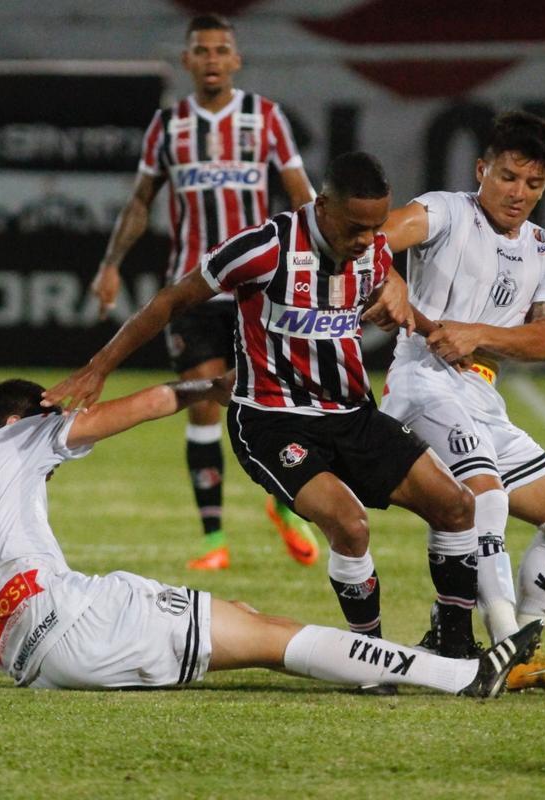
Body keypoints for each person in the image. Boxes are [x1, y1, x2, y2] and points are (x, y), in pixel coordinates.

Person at [0, 376, 544, 699]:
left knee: (235, 616)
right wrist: (222, 388)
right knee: (270, 635)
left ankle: (419, 671)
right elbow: (136, 408)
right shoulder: (15, 441)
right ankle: (455, 676)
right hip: (76, 621)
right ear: (19, 419)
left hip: (32, 665)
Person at [44, 152, 492, 674]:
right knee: (350, 525)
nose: (369, 239)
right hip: (272, 420)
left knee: (458, 506)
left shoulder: (369, 248)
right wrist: (98, 368)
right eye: (356, 227)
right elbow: (170, 301)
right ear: (322, 207)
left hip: (351, 414)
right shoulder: (265, 248)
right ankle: (371, 660)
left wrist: (429, 327)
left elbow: (384, 281)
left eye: (376, 227)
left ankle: (454, 643)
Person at [89, 13, 319, 570]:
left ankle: (284, 505)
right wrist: (111, 263)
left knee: (268, 402)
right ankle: (213, 540)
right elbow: (142, 200)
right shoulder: (168, 126)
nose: (212, 59)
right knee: (199, 404)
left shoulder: (264, 118)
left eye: (222, 50)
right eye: (202, 50)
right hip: (190, 291)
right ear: (187, 60)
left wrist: (319, 258)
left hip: (255, 287)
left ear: (235, 60)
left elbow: (300, 193)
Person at [379, 110, 545, 689]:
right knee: (485, 496)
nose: (518, 193)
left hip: (481, 399)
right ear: (482, 169)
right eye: (507, 177)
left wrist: (477, 334)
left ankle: (525, 639)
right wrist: (388, 274)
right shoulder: (448, 211)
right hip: (421, 386)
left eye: (534, 184)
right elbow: (382, 233)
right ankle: (502, 646)